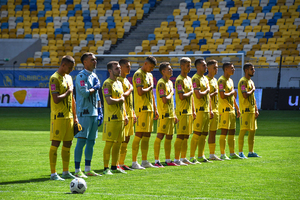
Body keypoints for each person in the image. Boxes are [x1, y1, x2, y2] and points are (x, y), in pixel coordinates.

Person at [74, 52, 103, 178]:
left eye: (95, 59)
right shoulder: (81, 76)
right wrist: (95, 88)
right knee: (81, 141)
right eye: (92, 60)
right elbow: (85, 93)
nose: (95, 61)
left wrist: (100, 111)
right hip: (84, 113)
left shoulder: (94, 76)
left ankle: (88, 169)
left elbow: (97, 97)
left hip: (94, 113)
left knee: (92, 141)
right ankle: (77, 169)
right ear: (85, 62)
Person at [49, 55, 78, 181]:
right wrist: (68, 92)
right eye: (70, 67)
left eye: (73, 68)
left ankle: (65, 171)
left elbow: (72, 99)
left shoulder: (69, 77)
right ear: (63, 65)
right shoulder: (54, 79)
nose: (71, 69)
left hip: (69, 117)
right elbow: (55, 99)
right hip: (59, 117)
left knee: (68, 143)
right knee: (56, 143)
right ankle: (53, 173)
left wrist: (75, 117)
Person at [131, 56, 158, 169]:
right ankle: (134, 162)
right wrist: (151, 87)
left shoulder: (149, 75)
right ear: (145, 63)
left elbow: (151, 94)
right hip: (141, 109)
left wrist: (155, 109)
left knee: (147, 135)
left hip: (149, 109)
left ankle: (145, 161)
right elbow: (140, 92)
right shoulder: (138, 74)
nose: (151, 70)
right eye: (150, 67)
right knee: (139, 135)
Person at [102, 61, 128, 175]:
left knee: (118, 143)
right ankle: (105, 168)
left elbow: (122, 102)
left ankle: (114, 166)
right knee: (109, 143)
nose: (119, 70)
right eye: (117, 69)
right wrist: (120, 100)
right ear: (110, 71)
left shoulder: (119, 83)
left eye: (119, 68)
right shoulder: (107, 83)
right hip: (111, 119)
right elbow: (109, 100)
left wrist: (125, 115)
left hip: (121, 118)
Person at [189, 59, 214, 164]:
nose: (205, 67)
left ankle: (201, 155)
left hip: (206, 110)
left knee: (204, 134)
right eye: (204, 65)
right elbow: (198, 95)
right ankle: (191, 157)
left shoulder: (204, 78)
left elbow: (208, 97)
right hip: (199, 110)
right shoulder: (195, 79)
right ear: (198, 67)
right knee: (197, 133)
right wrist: (207, 91)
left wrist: (210, 110)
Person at [154, 62, 178, 167]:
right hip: (164, 114)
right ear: (163, 71)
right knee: (160, 136)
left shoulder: (170, 83)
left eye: (171, 68)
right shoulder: (161, 83)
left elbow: (170, 101)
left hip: (170, 114)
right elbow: (164, 100)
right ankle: (156, 161)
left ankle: (168, 160)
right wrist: (172, 93)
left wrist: (174, 114)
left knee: (170, 136)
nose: (171, 70)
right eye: (169, 69)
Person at [174, 57, 196, 166]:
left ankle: (183, 158)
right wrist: (191, 92)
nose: (190, 67)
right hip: (182, 112)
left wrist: (194, 110)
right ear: (182, 66)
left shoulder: (189, 79)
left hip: (189, 112)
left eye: (190, 65)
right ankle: (177, 159)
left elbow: (191, 98)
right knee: (180, 136)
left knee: (187, 136)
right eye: (188, 65)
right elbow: (181, 96)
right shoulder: (179, 80)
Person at [218, 62, 241, 160]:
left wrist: (237, 108)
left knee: (232, 131)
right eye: (232, 68)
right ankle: (223, 154)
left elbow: (232, 97)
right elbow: (222, 95)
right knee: (224, 131)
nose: (234, 69)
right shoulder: (221, 81)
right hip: (224, 110)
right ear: (226, 69)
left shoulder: (230, 80)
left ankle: (232, 153)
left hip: (231, 110)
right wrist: (232, 92)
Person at [238, 63, 260, 158]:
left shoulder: (251, 81)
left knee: (252, 131)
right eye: (252, 69)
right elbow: (245, 95)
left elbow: (253, 98)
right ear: (246, 70)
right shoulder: (243, 81)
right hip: (245, 110)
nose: (253, 70)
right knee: (243, 131)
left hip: (251, 110)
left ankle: (251, 152)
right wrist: (253, 90)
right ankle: (240, 152)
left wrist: (256, 109)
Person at [117, 59, 137, 170]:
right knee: (121, 139)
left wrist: (133, 113)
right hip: (122, 114)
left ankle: (122, 162)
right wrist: (130, 89)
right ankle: (116, 164)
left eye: (129, 66)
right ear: (121, 67)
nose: (129, 68)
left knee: (127, 139)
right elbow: (123, 96)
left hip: (129, 113)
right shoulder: (118, 81)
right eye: (127, 66)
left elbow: (130, 99)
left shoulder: (127, 81)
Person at [206, 60, 223, 161]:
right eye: (214, 67)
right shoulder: (205, 80)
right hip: (207, 110)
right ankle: (200, 154)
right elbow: (204, 95)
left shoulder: (215, 80)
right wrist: (214, 93)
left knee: (213, 132)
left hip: (216, 110)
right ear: (208, 68)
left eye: (217, 67)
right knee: (202, 133)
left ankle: (212, 154)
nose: (216, 69)